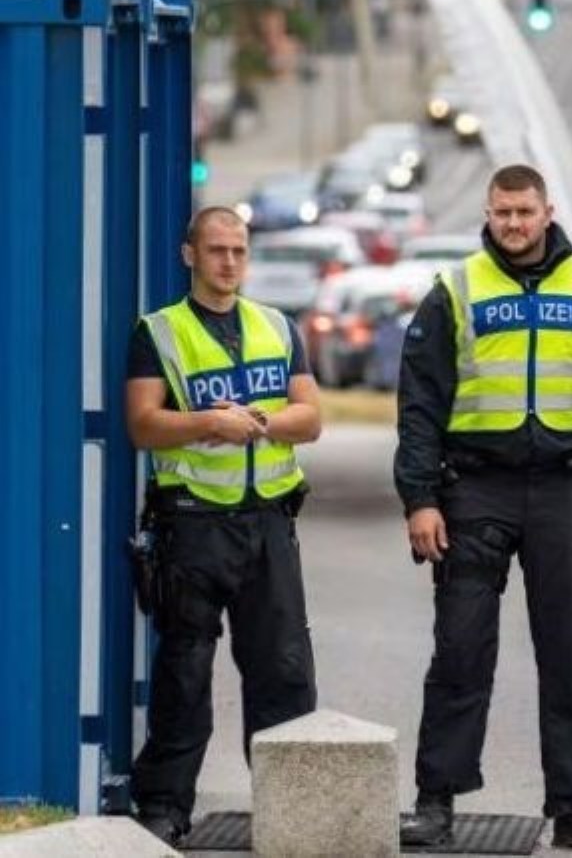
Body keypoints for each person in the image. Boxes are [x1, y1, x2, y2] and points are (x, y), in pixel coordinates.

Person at [395, 164, 572, 849]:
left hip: (568, 490)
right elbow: (419, 405)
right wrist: (420, 499)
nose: (513, 224)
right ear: (489, 212)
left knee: (568, 656)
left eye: (525, 212)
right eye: (503, 212)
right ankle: (437, 800)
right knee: (460, 649)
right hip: (475, 488)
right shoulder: (454, 290)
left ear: (547, 212)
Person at [126, 206, 323, 845]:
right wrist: (210, 423)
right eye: (216, 250)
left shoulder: (278, 326)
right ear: (191, 256)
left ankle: (290, 808)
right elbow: (143, 424)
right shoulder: (159, 332)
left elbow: (311, 417)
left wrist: (256, 422)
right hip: (193, 527)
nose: (229, 262)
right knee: (184, 672)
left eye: (238, 250)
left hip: (267, 524)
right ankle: (164, 807)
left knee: (284, 671)